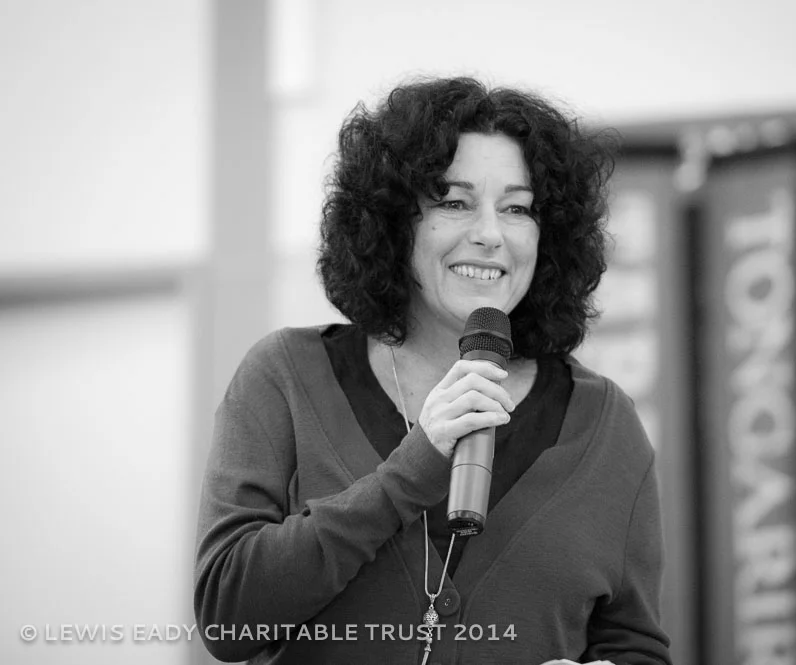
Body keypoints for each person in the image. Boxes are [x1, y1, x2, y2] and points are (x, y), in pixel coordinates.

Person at [194, 76, 673, 665]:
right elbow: (226, 616)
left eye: (518, 208)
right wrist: (411, 470)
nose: (490, 234)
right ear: (394, 221)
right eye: (453, 202)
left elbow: (636, 645)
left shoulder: (603, 421)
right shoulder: (286, 375)